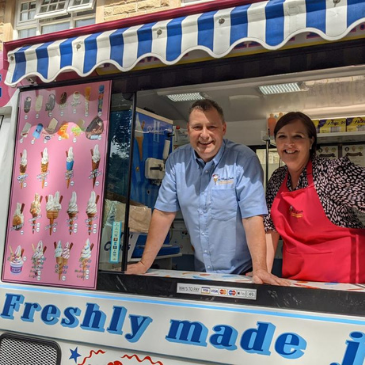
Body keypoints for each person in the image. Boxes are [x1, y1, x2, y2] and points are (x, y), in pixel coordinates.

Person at [127, 99, 287, 285]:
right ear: (188, 129)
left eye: (212, 126)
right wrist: (144, 263)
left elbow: (252, 217)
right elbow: (163, 213)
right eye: (197, 127)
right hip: (202, 272)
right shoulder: (176, 161)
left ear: (223, 129)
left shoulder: (243, 160)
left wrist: (260, 269)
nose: (204, 135)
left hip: (244, 273)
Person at [264, 111, 365, 283]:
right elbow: (269, 227)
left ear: (311, 141)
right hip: (296, 281)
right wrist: (263, 270)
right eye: (282, 136)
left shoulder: (332, 172)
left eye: (298, 136)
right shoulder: (277, 178)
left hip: (345, 282)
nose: (289, 143)